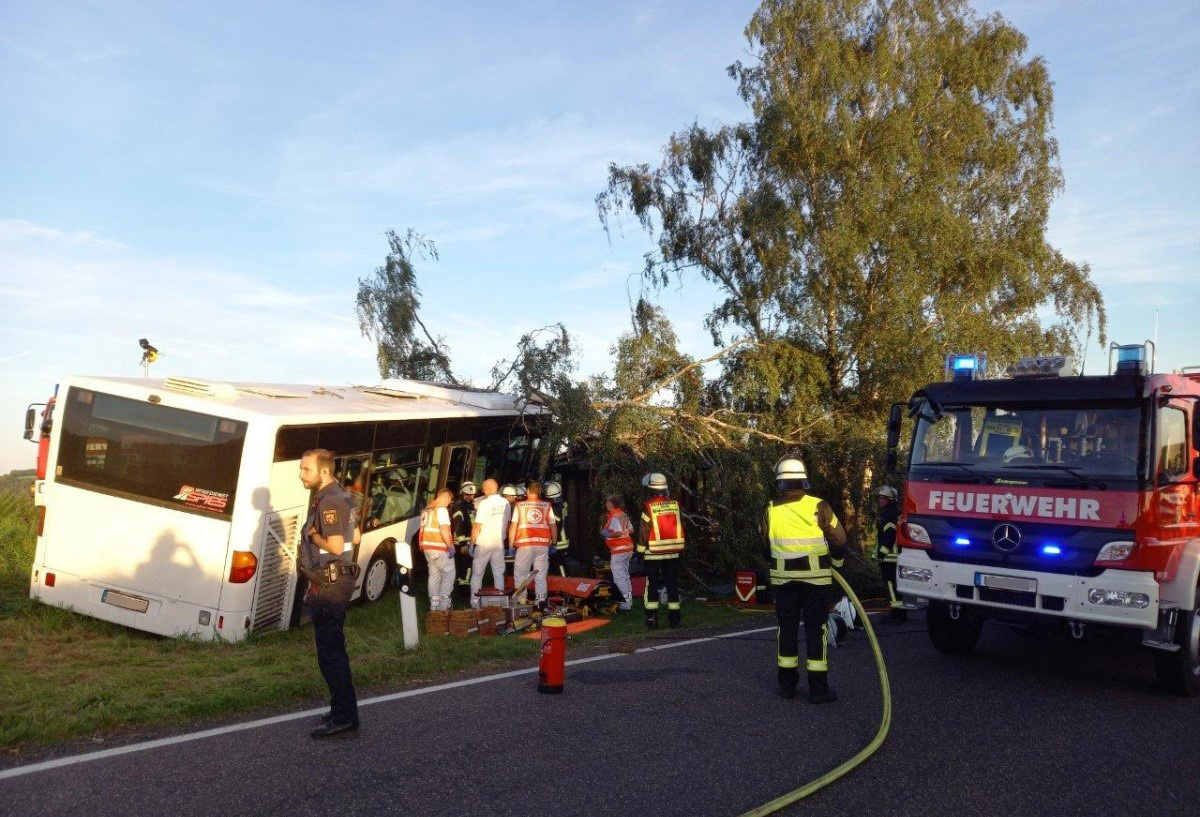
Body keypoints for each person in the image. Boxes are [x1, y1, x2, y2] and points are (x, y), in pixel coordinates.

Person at [765, 458, 847, 704]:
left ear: (780, 483)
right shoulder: (819, 506)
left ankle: (787, 686)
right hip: (816, 582)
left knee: (786, 631)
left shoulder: (770, 509)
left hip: (783, 582)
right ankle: (818, 691)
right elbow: (839, 540)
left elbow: (763, 546)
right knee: (816, 631)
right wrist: (837, 566)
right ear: (803, 480)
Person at [298, 448, 359, 738]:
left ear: (323, 471)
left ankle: (345, 717)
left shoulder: (330, 502)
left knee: (331, 655)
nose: (301, 474)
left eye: (305, 469)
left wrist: (313, 536)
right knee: (333, 652)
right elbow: (355, 537)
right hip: (337, 581)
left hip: (331, 586)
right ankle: (341, 710)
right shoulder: (342, 496)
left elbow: (335, 546)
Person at [637, 472, 686, 629]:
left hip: (653, 554)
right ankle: (675, 620)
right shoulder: (674, 505)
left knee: (652, 585)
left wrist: (639, 552)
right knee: (672, 584)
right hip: (673, 552)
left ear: (651, 489)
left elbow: (643, 532)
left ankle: (652, 619)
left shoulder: (648, 507)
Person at [508, 481, 556, 608]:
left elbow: (513, 526)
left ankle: (521, 601)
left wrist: (510, 545)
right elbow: (553, 525)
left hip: (525, 544)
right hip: (542, 546)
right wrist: (554, 543)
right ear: (539, 492)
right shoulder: (547, 506)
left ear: (528, 491)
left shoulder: (520, 506)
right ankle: (541, 601)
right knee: (540, 575)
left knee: (520, 574)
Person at [470, 479, 511, 608]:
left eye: (483, 488)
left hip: (484, 542)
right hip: (498, 542)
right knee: (498, 573)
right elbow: (508, 523)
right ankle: (499, 603)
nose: (482, 490)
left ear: (488, 488)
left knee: (477, 574)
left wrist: (472, 543)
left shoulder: (484, 503)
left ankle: (475, 602)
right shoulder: (506, 503)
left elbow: (477, 525)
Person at [419, 489, 456, 611]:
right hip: (439, 547)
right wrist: (450, 546)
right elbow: (444, 528)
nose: (448, 504)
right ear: (445, 498)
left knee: (434, 576)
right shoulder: (441, 510)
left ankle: (434, 605)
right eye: (449, 501)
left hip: (427, 548)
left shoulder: (428, 509)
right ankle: (444, 606)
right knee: (449, 574)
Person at [875, 485, 906, 624]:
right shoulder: (892, 513)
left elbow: (889, 538)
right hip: (893, 557)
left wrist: (881, 555)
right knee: (894, 585)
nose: (880, 500)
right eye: (879, 498)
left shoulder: (889, 515)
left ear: (891, 500)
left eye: (883, 498)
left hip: (889, 558)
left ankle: (897, 614)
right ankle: (899, 612)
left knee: (891, 586)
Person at [600, 494, 635, 611]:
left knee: (619, 578)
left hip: (619, 550)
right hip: (627, 549)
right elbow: (631, 530)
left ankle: (624, 604)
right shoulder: (622, 514)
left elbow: (619, 533)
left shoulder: (614, 516)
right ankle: (629, 601)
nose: (605, 504)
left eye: (607, 502)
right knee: (625, 576)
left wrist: (607, 534)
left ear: (611, 504)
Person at [451, 482, 478, 592]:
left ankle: (461, 589)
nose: (469, 497)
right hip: (462, 544)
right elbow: (458, 525)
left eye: (472, 495)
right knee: (465, 568)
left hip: (468, 542)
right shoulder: (459, 505)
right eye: (467, 494)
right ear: (462, 493)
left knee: (465, 568)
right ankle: (463, 591)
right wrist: (462, 543)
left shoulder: (469, 506)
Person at [545, 480, 570, 576]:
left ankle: (564, 581)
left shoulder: (554, 510)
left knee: (559, 564)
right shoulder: (563, 504)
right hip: (564, 539)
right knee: (557, 563)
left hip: (559, 541)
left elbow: (555, 525)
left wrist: (552, 541)